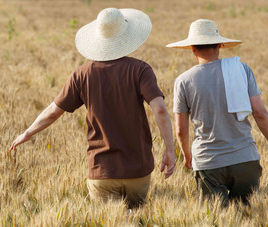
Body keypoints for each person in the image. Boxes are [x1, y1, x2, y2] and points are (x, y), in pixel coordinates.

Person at [10, 8, 175, 209]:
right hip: (137, 172)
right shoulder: (140, 70)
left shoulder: (81, 74)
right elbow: (159, 110)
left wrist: (26, 133)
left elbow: (53, 111)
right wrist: (169, 149)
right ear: (126, 36)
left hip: (101, 171)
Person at [166, 19, 268, 206]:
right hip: (246, 160)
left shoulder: (183, 81)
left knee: (217, 219)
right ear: (220, 45)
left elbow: (180, 130)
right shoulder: (241, 70)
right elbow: (260, 112)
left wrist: (188, 155)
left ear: (192, 49)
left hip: (208, 163)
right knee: (247, 217)